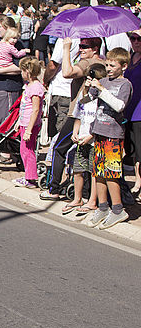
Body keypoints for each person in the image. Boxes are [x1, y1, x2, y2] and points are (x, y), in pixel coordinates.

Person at [40, 36, 103, 200]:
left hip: (79, 114)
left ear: (95, 49)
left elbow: (67, 73)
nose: (80, 49)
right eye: (80, 45)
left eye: (84, 46)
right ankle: (85, 192)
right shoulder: (101, 63)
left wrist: (66, 48)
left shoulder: (88, 63)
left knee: (59, 148)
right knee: (85, 153)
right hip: (86, 113)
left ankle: (53, 188)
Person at [85, 48, 133, 229]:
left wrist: (102, 89)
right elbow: (88, 100)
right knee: (99, 172)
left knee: (112, 173)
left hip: (113, 134)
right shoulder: (103, 81)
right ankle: (103, 206)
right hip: (99, 131)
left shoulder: (125, 84)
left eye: (113, 65)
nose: (109, 68)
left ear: (123, 66)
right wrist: (90, 87)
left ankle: (118, 209)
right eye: (107, 65)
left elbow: (119, 105)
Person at [63, 63, 102, 216]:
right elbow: (78, 116)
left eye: (91, 79)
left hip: (93, 139)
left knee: (93, 172)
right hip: (81, 138)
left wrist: (91, 136)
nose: (88, 81)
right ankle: (77, 198)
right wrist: (75, 131)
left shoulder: (100, 97)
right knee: (78, 169)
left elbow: (99, 119)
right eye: (87, 78)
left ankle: (92, 200)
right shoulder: (83, 96)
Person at [13, 56, 45, 188]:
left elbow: (36, 109)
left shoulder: (36, 87)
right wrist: (19, 121)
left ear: (28, 71)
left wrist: (29, 130)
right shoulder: (28, 85)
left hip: (30, 125)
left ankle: (30, 178)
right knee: (24, 150)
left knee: (28, 150)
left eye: (22, 71)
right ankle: (28, 175)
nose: (21, 73)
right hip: (25, 122)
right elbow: (25, 107)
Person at [125, 30, 141, 198]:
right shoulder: (130, 58)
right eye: (133, 38)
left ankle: (139, 183)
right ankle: (137, 180)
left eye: (139, 39)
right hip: (128, 110)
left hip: (140, 112)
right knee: (133, 150)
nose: (136, 42)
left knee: (140, 150)